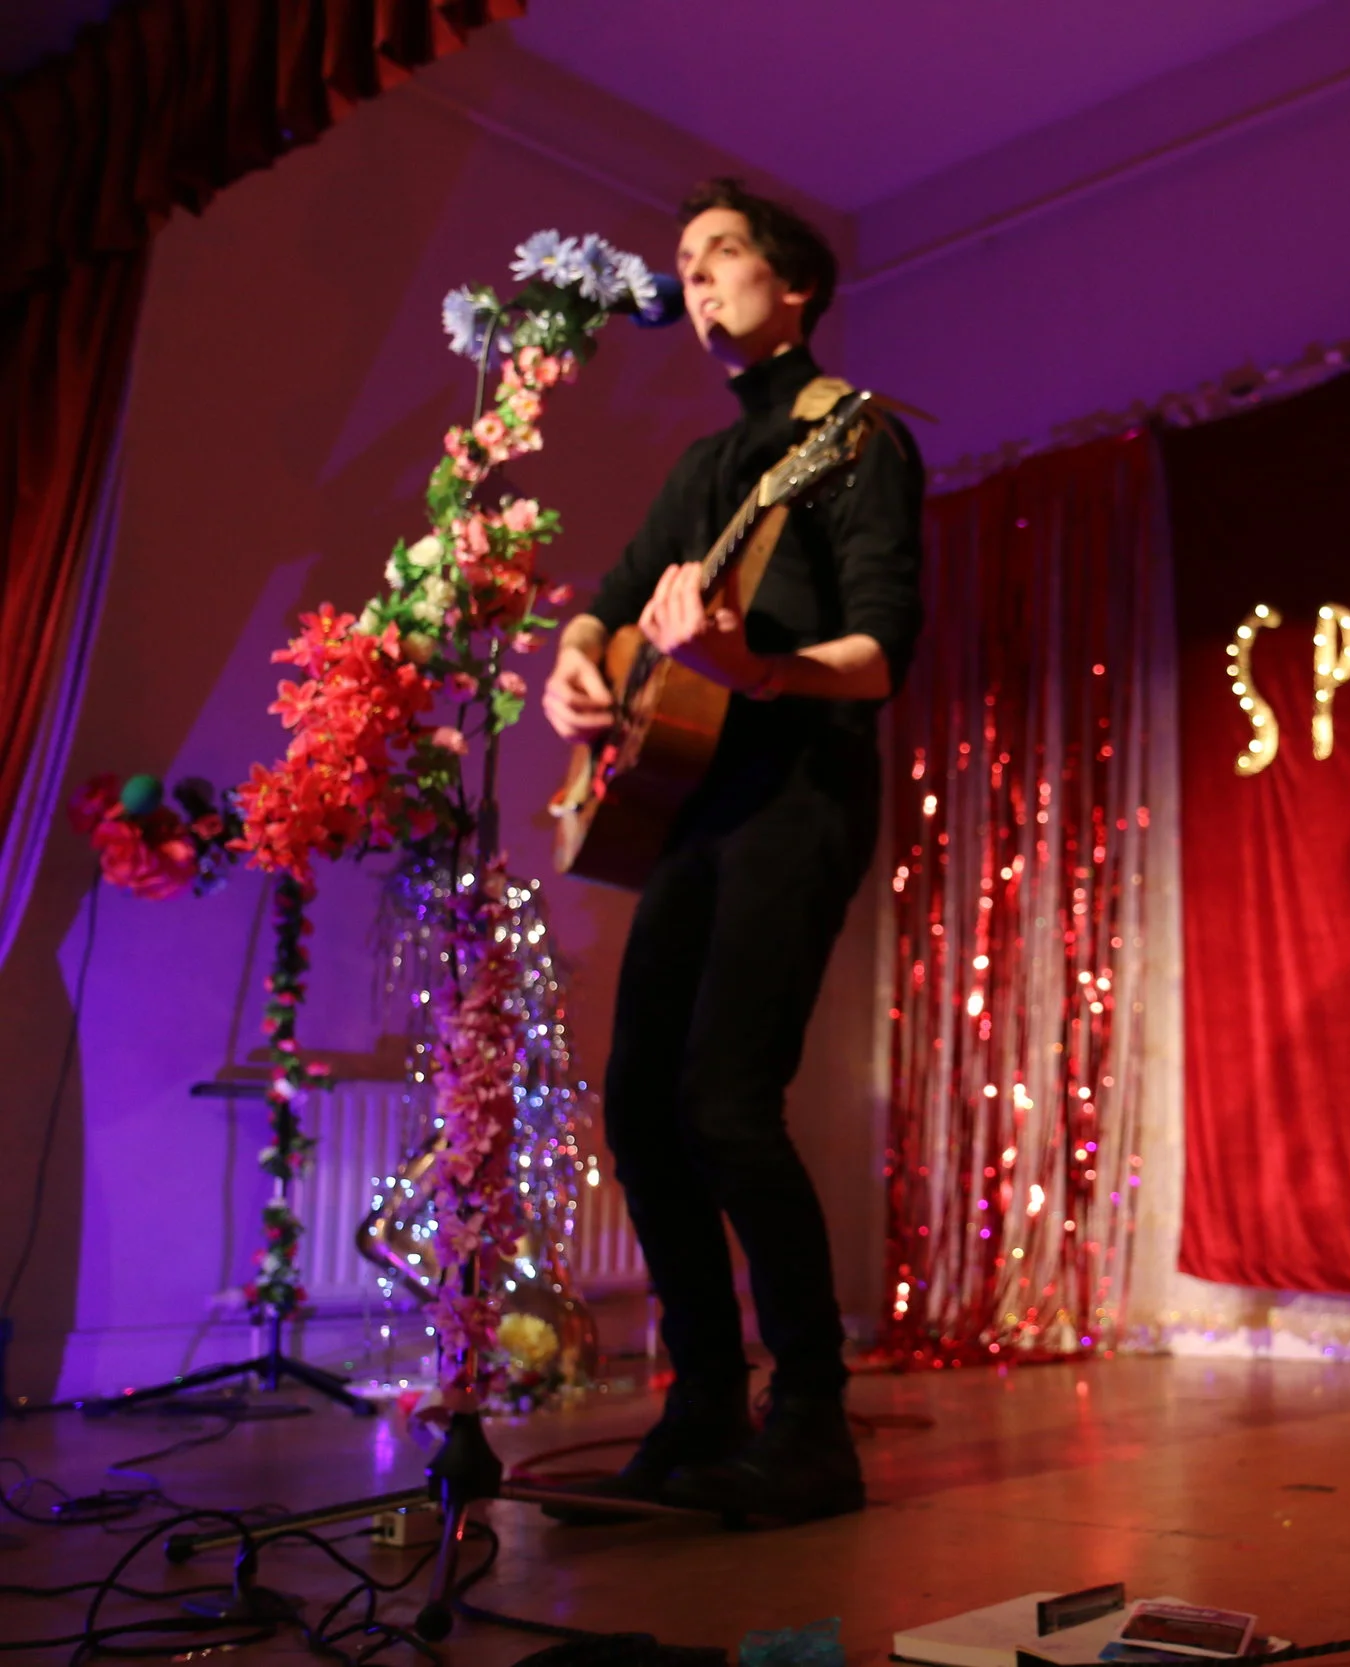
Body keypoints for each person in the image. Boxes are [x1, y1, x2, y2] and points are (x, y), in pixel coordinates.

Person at [539, 178, 922, 1523]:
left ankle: (810, 1422)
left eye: (721, 255)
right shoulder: (704, 468)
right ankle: (702, 1400)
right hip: (690, 804)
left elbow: (879, 652)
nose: (695, 280)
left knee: (726, 1102)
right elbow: (603, 606)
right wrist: (575, 669)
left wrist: (753, 667)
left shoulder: (856, 437)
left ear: (794, 283)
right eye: (685, 263)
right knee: (641, 1109)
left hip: (798, 791)